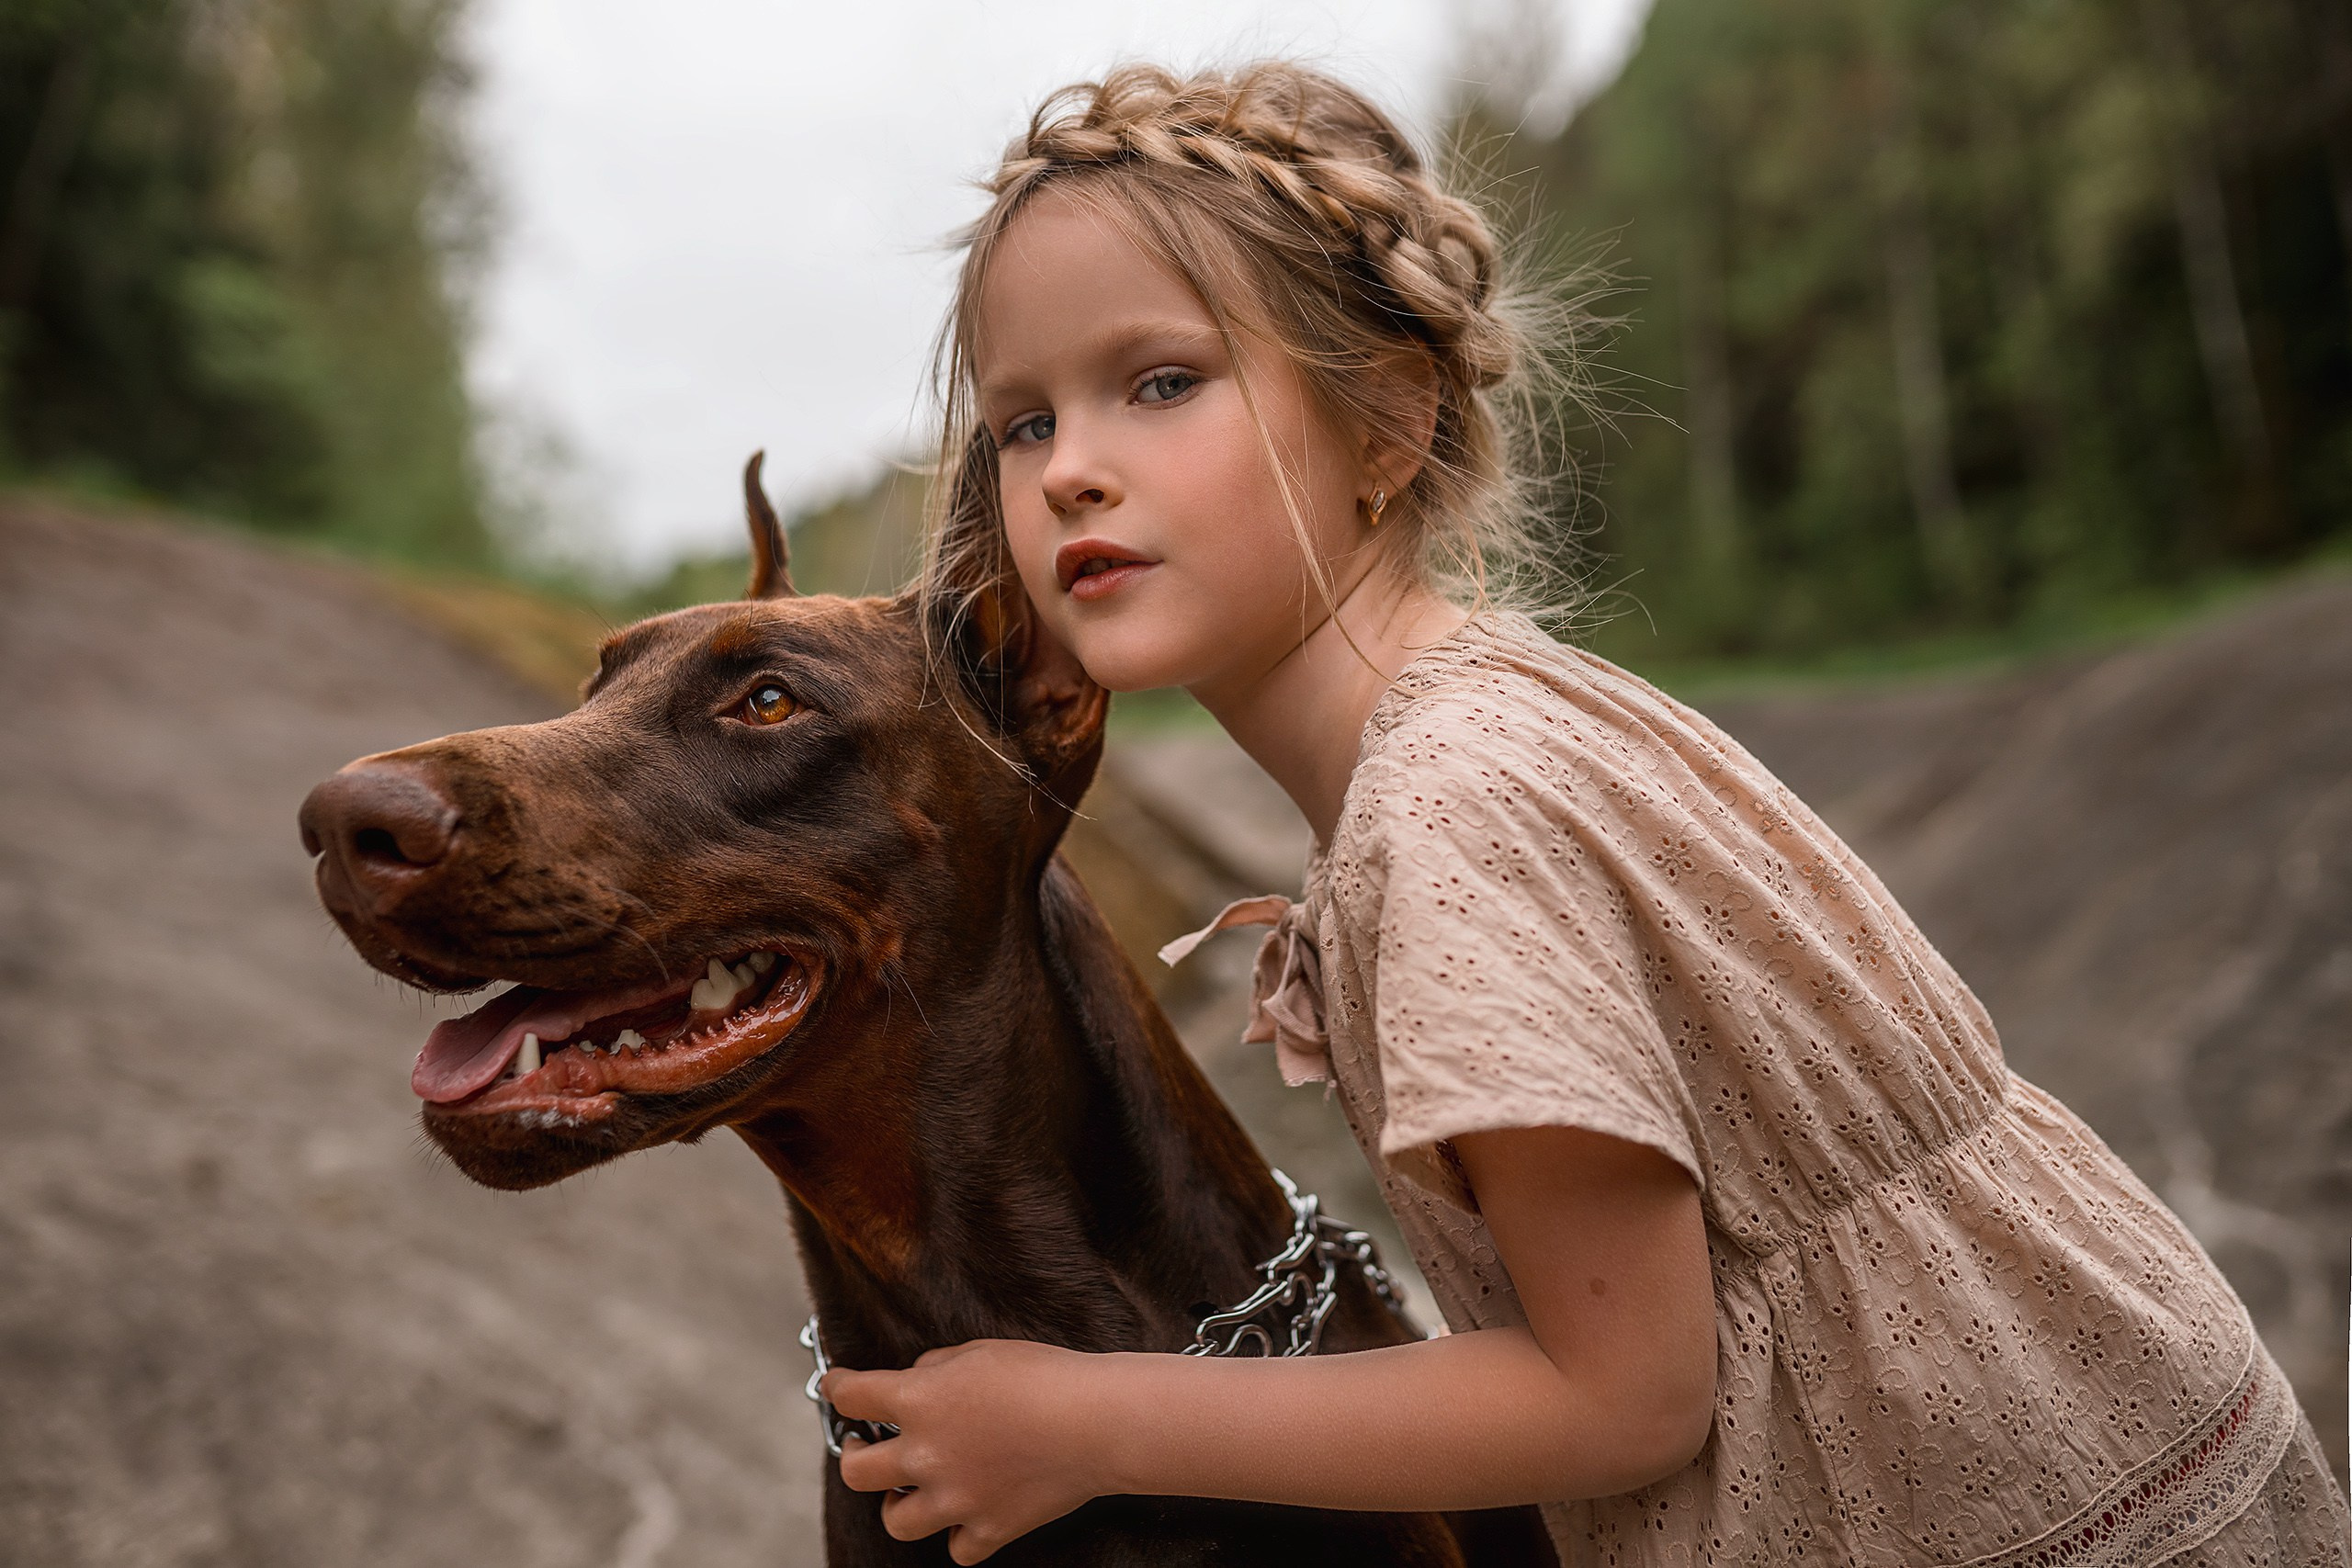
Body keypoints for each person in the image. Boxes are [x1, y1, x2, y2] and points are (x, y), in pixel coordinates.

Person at [821, 61, 2352, 1566]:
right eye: (1023, 424)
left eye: (1162, 383)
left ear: (1386, 425)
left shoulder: (1451, 813)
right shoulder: (1478, 722)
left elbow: (1621, 1400)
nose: (1073, 470)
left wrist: (1087, 1425)